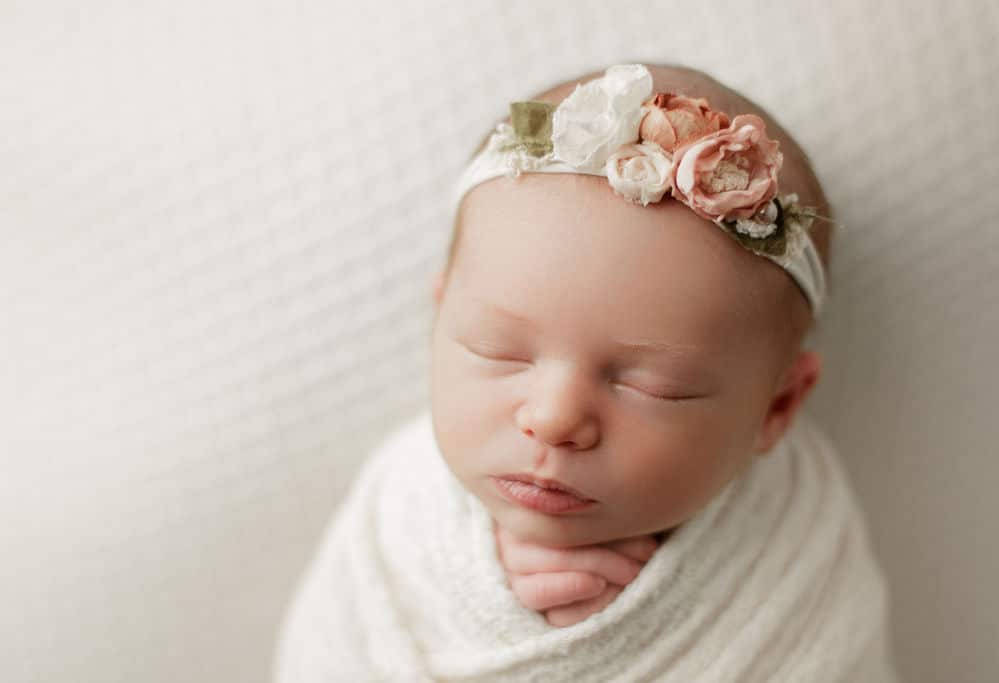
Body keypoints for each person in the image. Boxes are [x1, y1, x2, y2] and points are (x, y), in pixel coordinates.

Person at [273, 62, 898, 682]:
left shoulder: (792, 545)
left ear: (777, 408)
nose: (553, 419)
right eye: (500, 351)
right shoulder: (404, 514)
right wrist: (499, 609)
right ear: (439, 319)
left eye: (651, 385)